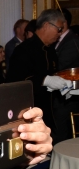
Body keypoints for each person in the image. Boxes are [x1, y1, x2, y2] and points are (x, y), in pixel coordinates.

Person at [8, 9, 71, 144]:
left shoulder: (50, 50)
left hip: (50, 113)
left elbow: (55, 75)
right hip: (29, 114)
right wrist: (45, 80)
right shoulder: (24, 50)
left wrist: (64, 88)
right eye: (59, 29)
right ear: (47, 25)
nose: (60, 34)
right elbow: (16, 80)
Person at [53, 8, 79, 142]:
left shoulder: (72, 41)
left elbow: (60, 68)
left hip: (68, 98)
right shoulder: (59, 40)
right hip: (61, 97)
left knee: (63, 136)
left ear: (64, 22)